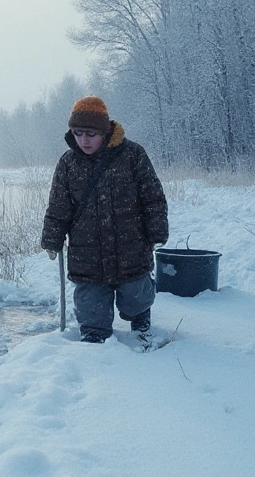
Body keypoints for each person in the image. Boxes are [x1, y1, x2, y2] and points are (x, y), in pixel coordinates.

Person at [41, 96, 169, 344]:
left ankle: (140, 319)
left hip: (131, 246)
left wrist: (157, 230)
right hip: (86, 252)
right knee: (91, 310)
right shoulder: (68, 163)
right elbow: (58, 206)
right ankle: (95, 342)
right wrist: (52, 237)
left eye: (90, 133)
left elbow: (152, 196)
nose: (83, 140)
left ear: (105, 131)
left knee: (136, 296)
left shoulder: (133, 155)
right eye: (78, 133)